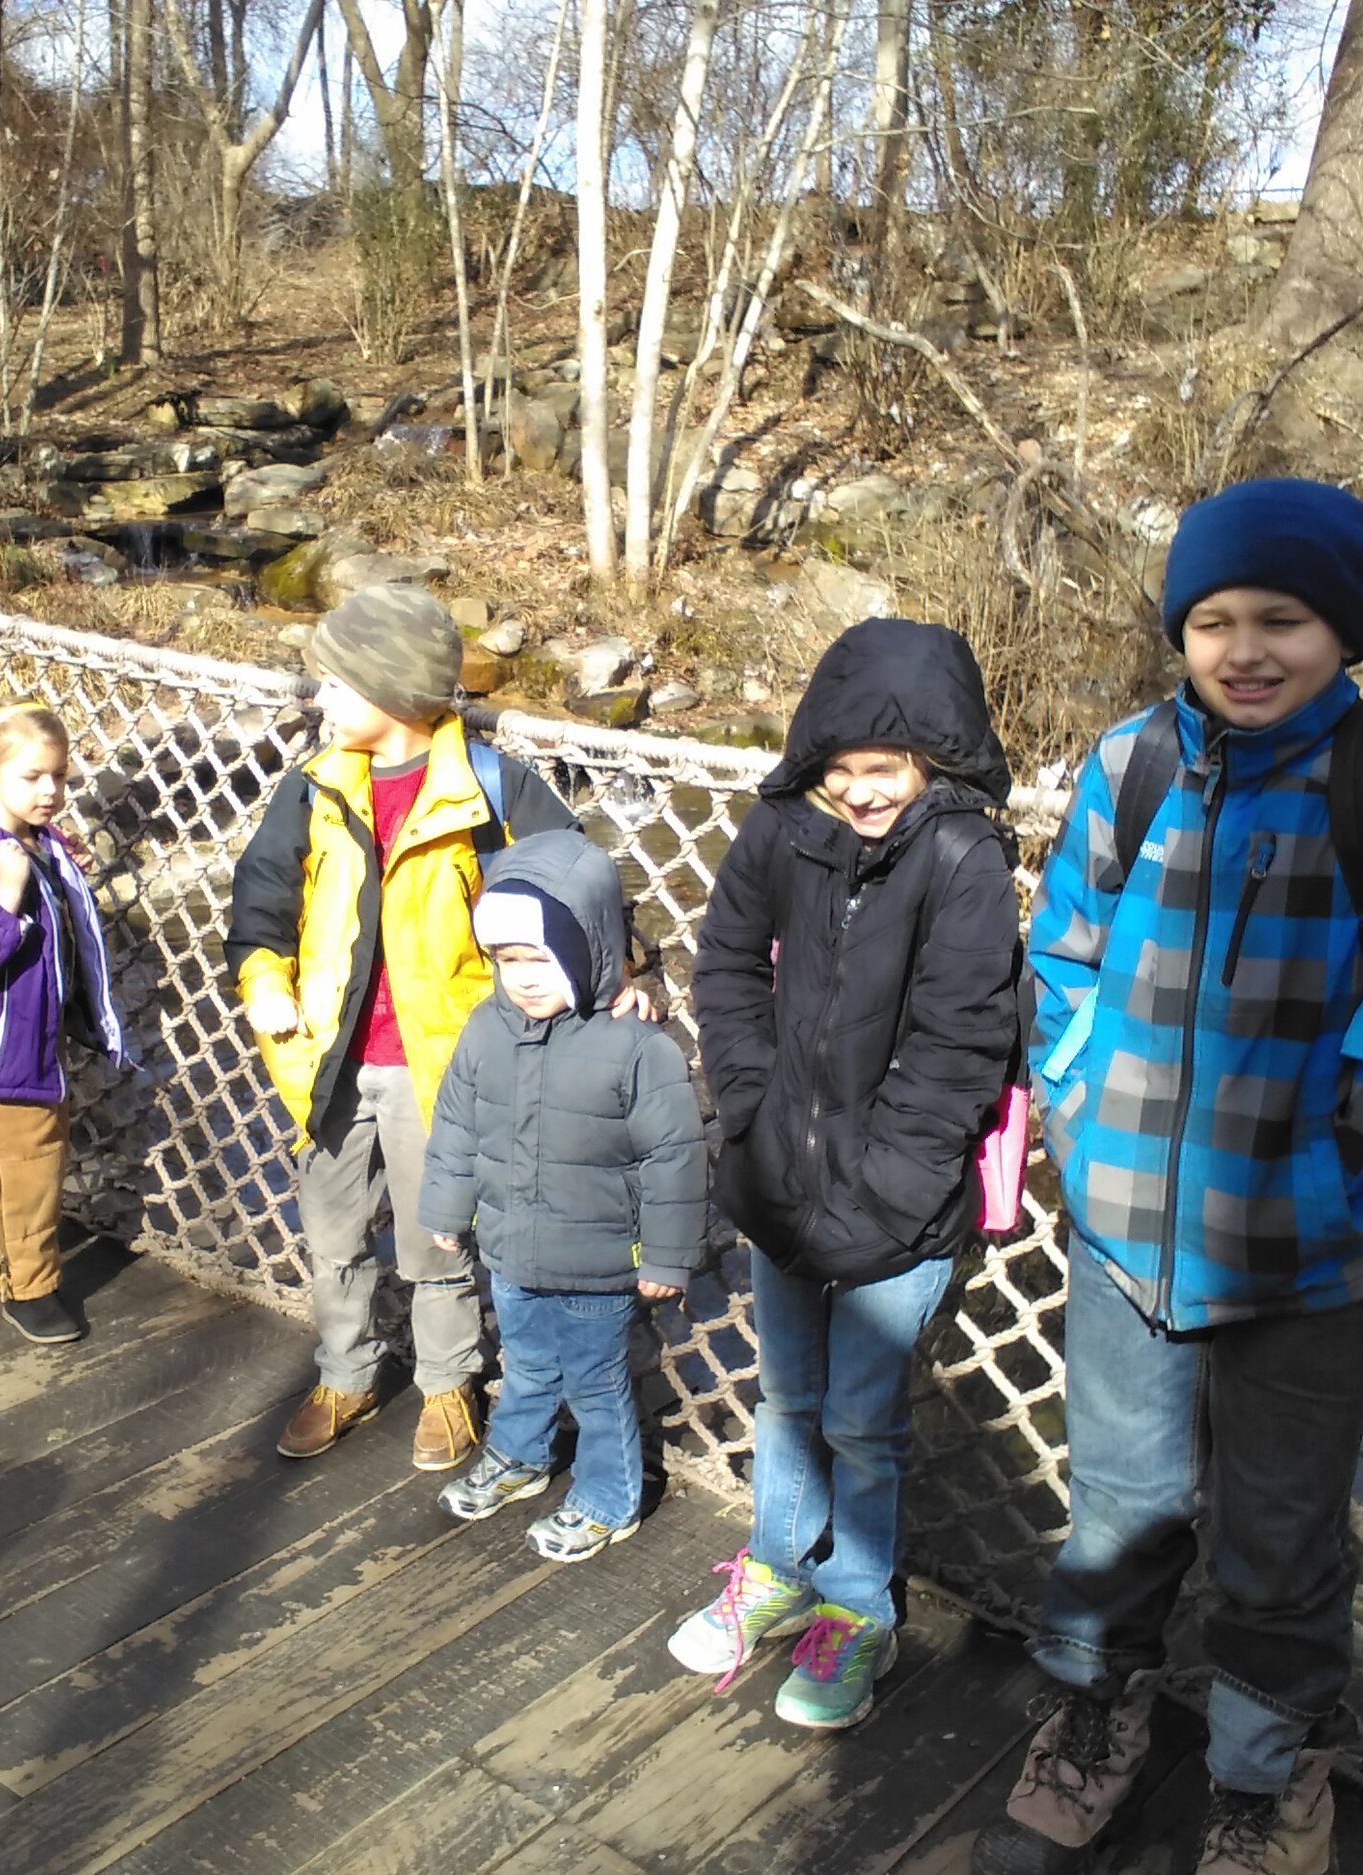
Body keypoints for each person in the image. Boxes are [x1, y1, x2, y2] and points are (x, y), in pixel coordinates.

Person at [976, 479, 1363, 1875]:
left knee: (1279, 1542)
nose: (1243, 647)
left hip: (1310, 1263)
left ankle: (1263, 1781)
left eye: (1280, 616)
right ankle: (1096, 1719)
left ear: (1346, 626)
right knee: (1119, 1507)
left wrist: (1335, 1187)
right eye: (1212, 619)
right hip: (1126, 1240)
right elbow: (1065, 955)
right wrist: (1083, 1123)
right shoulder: (1134, 763)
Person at [673, 615, 1024, 1731]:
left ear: (934, 760)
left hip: (899, 1204)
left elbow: (960, 1043)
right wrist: (748, 1100)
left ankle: (856, 1609)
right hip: (782, 1175)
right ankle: (775, 1569)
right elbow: (726, 961)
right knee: (788, 1398)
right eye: (840, 771)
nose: (862, 793)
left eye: (884, 770)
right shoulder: (782, 832)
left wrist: (889, 1186)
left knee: (864, 1425)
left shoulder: (964, 859)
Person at [226, 585, 582, 1472]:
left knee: (438, 1239)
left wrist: (622, 978)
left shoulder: (490, 787)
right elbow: (261, 898)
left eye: (335, 687)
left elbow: (576, 885)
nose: (319, 704)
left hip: (446, 1064)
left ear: (390, 694)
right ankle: (345, 1371)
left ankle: (446, 1382)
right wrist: (264, 980)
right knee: (334, 1232)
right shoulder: (312, 788)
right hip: (328, 1057)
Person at [416, 830, 708, 1560]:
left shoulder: (636, 1046)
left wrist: (668, 1258)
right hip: (513, 1249)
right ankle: (521, 1454)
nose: (524, 977)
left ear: (590, 948)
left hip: (598, 1262)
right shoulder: (485, 1030)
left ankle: (611, 1494)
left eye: (541, 958)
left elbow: (675, 1157)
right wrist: (448, 1208)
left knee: (596, 1380)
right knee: (525, 1362)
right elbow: (457, 1122)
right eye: (509, 960)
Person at [0, 701, 125, 1347]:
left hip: (26, 1038)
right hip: (1, 1047)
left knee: (1, 1158)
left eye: (60, 776)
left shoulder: (34, 841)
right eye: (31, 777)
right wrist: (10, 894)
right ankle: (28, 1285)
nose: (50, 791)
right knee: (33, 1163)